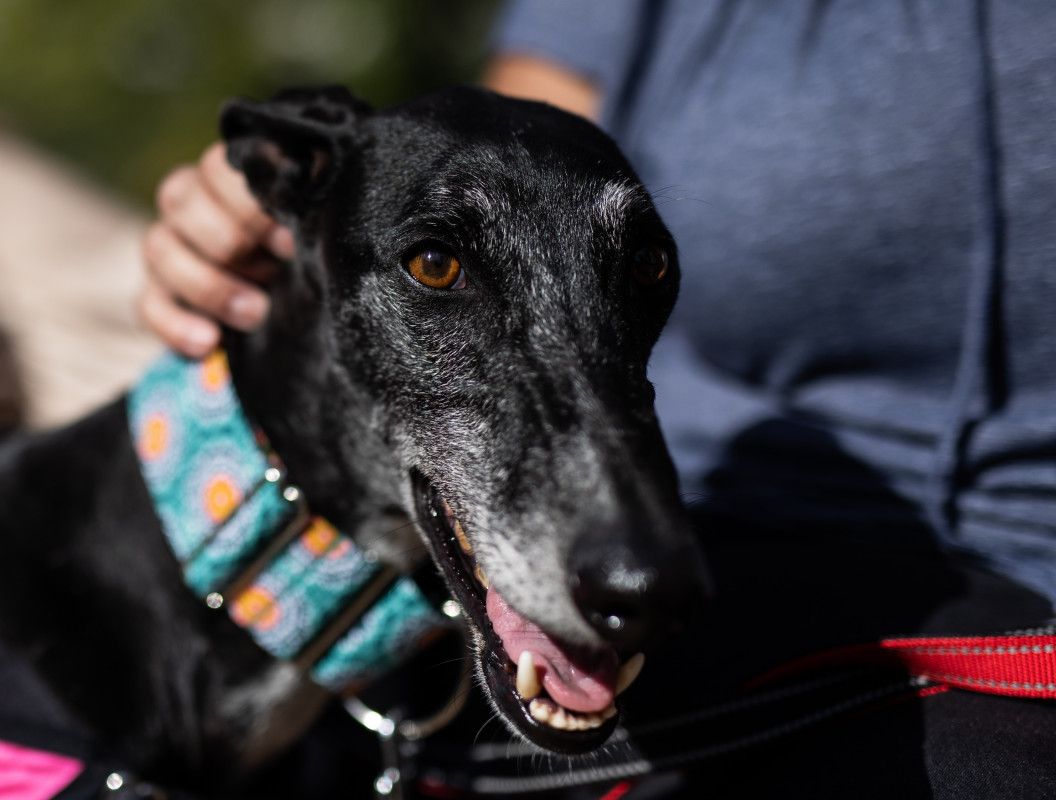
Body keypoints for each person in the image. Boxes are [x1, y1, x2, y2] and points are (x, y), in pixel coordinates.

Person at [141, 1, 1056, 794]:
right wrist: (228, 215)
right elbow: (499, 163)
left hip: (982, 615)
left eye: (646, 267)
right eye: (439, 266)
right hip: (708, 523)